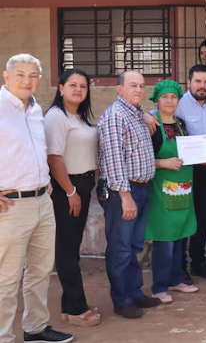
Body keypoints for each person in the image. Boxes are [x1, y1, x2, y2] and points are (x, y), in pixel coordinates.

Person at [0, 54, 74, 343]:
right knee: (6, 278)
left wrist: (44, 179)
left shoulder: (35, 109)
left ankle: (35, 328)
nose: (27, 80)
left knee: (40, 271)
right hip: (11, 206)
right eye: (20, 74)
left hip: (42, 200)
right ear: (6, 76)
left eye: (33, 75)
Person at [96, 71, 162, 319]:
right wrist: (125, 197)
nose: (138, 90)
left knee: (134, 246)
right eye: (132, 85)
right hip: (122, 191)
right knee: (121, 248)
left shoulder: (135, 114)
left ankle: (134, 292)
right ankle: (122, 299)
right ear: (119, 89)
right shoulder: (115, 116)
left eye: (142, 86)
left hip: (140, 188)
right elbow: (114, 161)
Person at [44, 69, 100, 327]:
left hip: (82, 186)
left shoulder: (79, 116)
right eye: (73, 85)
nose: (78, 90)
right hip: (68, 187)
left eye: (83, 86)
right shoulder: (56, 116)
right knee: (67, 249)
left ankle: (71, 305)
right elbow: (54, 158)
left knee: (71, 247)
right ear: (61, 88)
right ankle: (76, 309)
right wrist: (70, 192)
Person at [145, 80, 199, 304]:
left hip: (182, 188)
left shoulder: (181, 123)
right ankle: (159, 287)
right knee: (164, 239)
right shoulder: (152, 126)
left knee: (179, 236)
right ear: (157, 100)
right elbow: (142, 160)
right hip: (161, 189)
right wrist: (164, 163)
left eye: (174, 97)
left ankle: (176, 279)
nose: (169, 101)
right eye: (165, 97)